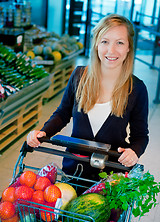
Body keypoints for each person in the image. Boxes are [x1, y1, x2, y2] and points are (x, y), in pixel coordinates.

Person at [27, 14, 149, 182]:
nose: (111, 50)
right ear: (96, 44)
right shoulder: (79, 76)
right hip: (74, 170)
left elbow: (140, 135)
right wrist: (44, 132)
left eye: (119, 42)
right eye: (105, 41)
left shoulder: (136, 89)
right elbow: (63, 113)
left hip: (111, 179)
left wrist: (134, 151)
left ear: (129, 47)